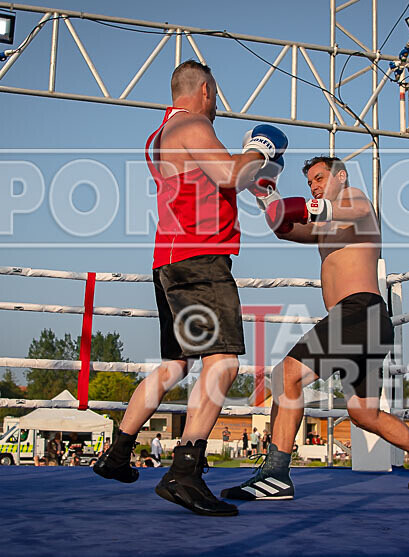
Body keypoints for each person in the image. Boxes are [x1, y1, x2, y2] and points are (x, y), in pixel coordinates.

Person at [94, 60, 287, 518]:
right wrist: (259, 152)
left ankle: (119, 454)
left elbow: (216, 185)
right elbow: (227, 174)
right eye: (215, 95)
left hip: (169, 261)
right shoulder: (194, 122)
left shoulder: (161, 133)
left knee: (175, 365)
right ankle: (186, 470)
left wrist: (255, 174)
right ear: (203, 89)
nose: (217, 105)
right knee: (223, 361)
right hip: (198, 259)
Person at [221, 156, 409, 501]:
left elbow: (340, 211)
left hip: (358, 313)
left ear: (340, 176)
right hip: (363, 321)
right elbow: (285, 228)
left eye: (319, 178)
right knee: (364, 412)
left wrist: (294, 202)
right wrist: (265, 193)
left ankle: (275, 475)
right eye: (310, 183)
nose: (314, 186)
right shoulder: (325, 225)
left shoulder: (356, 199)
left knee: (288, 375)